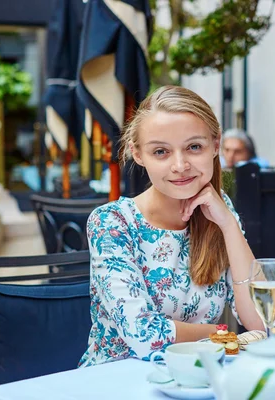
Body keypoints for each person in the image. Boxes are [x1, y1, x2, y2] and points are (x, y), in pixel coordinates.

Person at [79, 86, 264, 367]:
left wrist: (228, 224)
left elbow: (261, 320)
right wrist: (222, 335)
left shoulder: (218, 210)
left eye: (194, 147)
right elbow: (144, 336)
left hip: (198, 379)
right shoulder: (112, 222)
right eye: (161, 151)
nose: (180, 165)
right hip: (117, 381)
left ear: (216, 145)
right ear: (138, 154)